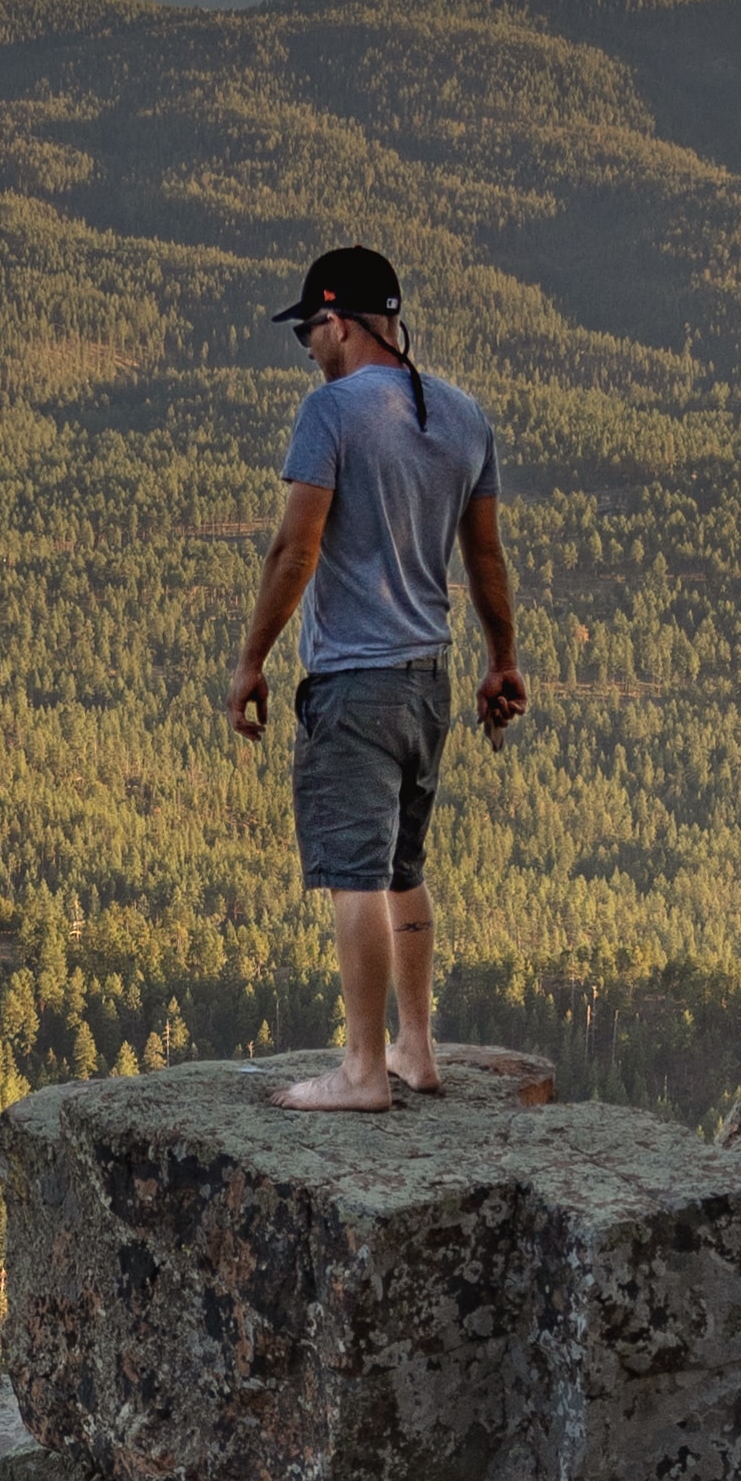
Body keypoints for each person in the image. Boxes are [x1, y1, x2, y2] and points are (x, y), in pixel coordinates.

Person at [227, 243, 527, 1113]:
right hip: (426, 681)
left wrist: (253, 660)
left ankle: (362, 1070)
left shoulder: (331, 413)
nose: (308, 348)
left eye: (310, 330)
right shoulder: (464, 415)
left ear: (343, 321)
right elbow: (485, 556)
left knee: (354, 870)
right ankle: (416, 1049)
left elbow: (296, 547)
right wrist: (500, 660)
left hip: (353, 682)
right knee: (403, 865)